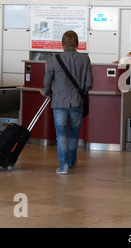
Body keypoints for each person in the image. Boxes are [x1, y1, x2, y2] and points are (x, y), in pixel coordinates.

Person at [43, 30, 94, 175]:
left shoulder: (54, 59)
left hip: (59, 102)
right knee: (73, 134)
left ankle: (63, 165)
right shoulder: (85, 59)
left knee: (60, 135)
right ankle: (72, 161)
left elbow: (47, 80)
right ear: (77, 42)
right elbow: (89, 81)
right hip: (77, 102)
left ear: (63, 43)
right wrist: (82, 91)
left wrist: (48, 92)